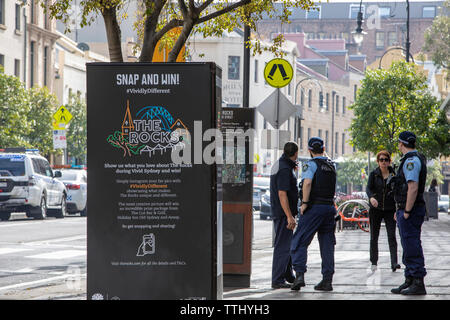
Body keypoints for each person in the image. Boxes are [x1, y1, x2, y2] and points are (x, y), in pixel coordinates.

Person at [290, 137, 337, 292]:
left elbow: (307, 183)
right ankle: (327, 280)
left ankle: (299, 276)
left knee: (300, 241)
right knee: (327, 245)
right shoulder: (332, 165)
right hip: (329, 208)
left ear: (310, 150)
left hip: (314, 208)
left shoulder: (310, 164)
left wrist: (304, 203)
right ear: (323, 148)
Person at [391, 131, 427, 295]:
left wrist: (406, 210)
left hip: (410, 210)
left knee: (411, 245)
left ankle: (418, 282)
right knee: (407, 245)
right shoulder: (413, 159)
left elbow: (412, 188)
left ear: (401, 144)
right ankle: (410, 279)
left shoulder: (411, 161)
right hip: (406, 209)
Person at [269, 141, 299, 289]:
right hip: (283, 214)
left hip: (280, 212)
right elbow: (282, 194)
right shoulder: (285, 169)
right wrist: (289, 216)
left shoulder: (281, 164)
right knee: (282, 246)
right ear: (295, 153)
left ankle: (288, 275)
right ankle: (277, 280)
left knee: (286, 245)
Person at [366, 150, 401, 272]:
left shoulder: (394, 175)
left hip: (390, 209)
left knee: (391, 236)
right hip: (376, 209)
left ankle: (394, 262)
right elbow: (368, 188)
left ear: (389, 161)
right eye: (381, 160)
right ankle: (374, 262)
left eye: (386, 160)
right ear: (378, 161)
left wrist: (398, 208)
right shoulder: (373, 174)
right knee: (374, 236)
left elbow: (398, 192)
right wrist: (371, 198)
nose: (384, 162)